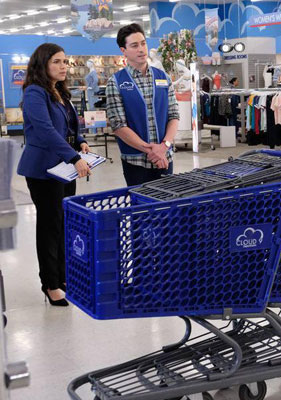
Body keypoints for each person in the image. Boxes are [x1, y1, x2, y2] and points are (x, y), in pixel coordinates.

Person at [17, 43, 92, 307]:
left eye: (65, 62)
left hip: (64, 169)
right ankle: (50, 284)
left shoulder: (59, 91)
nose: (63, 67)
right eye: (57, 62)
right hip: (44, 170)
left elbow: (69, 125)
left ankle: (62, 277)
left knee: (63, 223)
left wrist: (80, 142)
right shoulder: (35, 92)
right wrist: (74, 157)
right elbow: (46, 131)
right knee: (49, 226)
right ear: (43, 64)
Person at [106, 23, 179, 186]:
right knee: (140, 209)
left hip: (165, 159)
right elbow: (118, 126)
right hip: (136, 162)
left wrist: (164, 146)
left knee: (166, 208)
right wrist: (151, 150)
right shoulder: (116, 82)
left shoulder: (163, 77)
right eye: (134, 45)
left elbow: (174, 115)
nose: (141, 49)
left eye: (143, 43)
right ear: (123, 50)